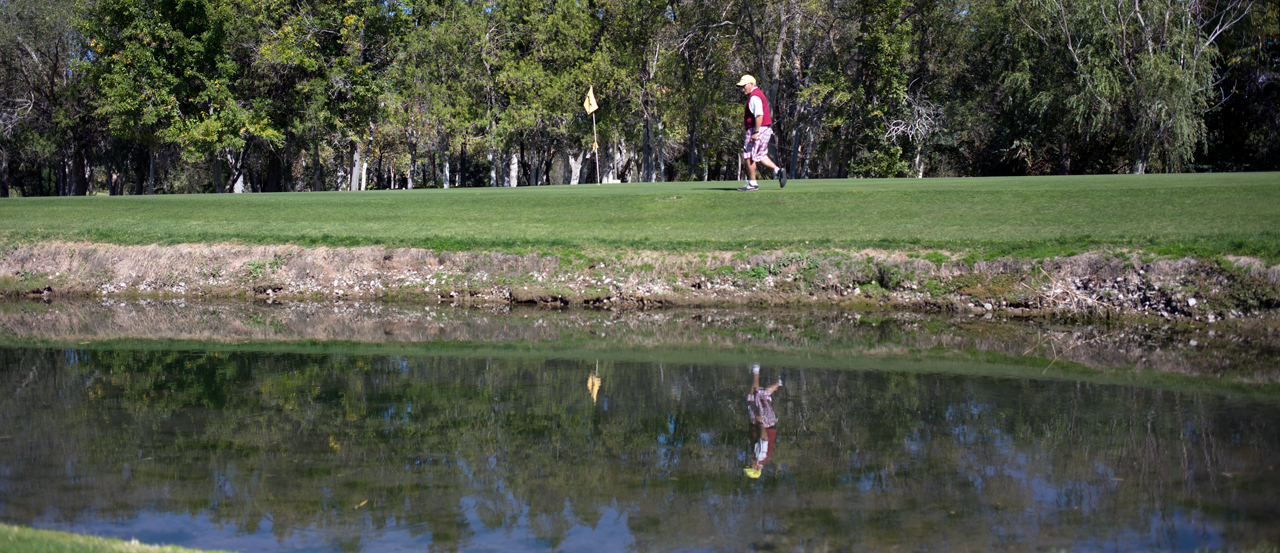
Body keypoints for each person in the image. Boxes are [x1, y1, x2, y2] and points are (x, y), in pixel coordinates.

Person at [736, 75, 787, 191]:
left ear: (751, 84)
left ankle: (753, 183)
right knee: (761, 155)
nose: (742, 88)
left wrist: (755, 132)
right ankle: (778, 171)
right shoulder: (757, 95)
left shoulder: (754, 97)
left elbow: (759, 116)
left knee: (748, 155)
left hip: (757, 129)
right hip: (765, 129)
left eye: (744, 86)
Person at [743, 363, 782, 479]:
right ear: (756, 468)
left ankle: (781, 381)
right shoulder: (760, 456)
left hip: (768, 423)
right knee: (753, 396)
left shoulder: (761, 459)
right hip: (764, 423)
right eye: (750, 466)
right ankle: (756, 369)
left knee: (763, 396)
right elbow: (764, 439)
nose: (749, 463)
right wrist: (760, 422)